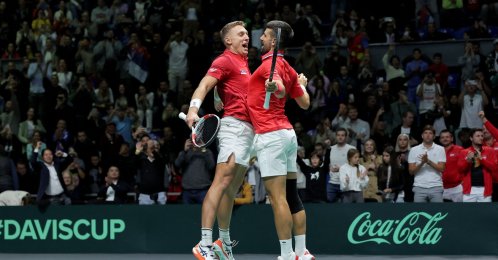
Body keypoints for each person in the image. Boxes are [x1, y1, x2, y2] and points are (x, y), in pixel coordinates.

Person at [185, 21, 253, 260]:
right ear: (228, 41)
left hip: (249, 132)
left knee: (231, 190)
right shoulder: (223, 60)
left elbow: (228, 88)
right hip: (233, 128)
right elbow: (205, 83)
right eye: (241, 34)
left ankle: (223, 243)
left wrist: (218, 95)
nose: (247, 37)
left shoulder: (243, 64)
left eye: (247, 34)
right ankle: (204, 243)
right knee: (221, 182)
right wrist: (194, 109)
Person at [246, 20, 312, 260]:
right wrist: (302, 86)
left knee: (277, 198)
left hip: (271, 136)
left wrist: (277, 88)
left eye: (264, 36)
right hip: (287, 135)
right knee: (292, 195)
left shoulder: (268, 66)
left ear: (274, 41)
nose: (260, 39)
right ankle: (302, 251)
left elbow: (280, 86)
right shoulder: (288, 66)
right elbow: (305, 103)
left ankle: (286, 254)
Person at [457, 128, 498, 202]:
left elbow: (494, 168)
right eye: (478, 136)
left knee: (485, 213)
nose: (481, 138)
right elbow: (460, 170)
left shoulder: (490, 150)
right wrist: (468, 161)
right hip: (469, 190)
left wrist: (481, 159)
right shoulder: (464, 152)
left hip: (485, 190)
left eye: (482, 136)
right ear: (471, 138)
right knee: (468, 213)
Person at [408, 125, 446, 203]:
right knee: (419, 214)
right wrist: (422, 163)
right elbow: (411, 171)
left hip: (436, 186)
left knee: (438, 214)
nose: (428, 135)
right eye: (425, 133)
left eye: (430, 133)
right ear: (422, 135)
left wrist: (428, 161)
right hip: (419, 187)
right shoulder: (413, 150)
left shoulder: (440, 149)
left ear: (434, 136)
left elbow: (442, 169)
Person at [328, 127, 355, 203]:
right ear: (335, 136)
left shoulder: (351, 149)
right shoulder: (330, 149)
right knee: (327, 206)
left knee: (347, 208)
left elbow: (355, 166)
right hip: (332, 183)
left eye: (342, 135)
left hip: (347, 183)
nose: (340, 137)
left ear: (346, 137)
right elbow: (326, 164)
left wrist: (341, 168)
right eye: (338, 135)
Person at [439, 130, 464, 202]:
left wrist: (464, 181)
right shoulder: (437, 151)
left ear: (452, 139)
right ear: (440, 140)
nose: (445, 139)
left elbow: (466, 166)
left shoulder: (460, 150)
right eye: (442, 137)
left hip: (457, 187)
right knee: (444, 211)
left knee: (459, 211)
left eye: (447, 137)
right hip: (441, 188)